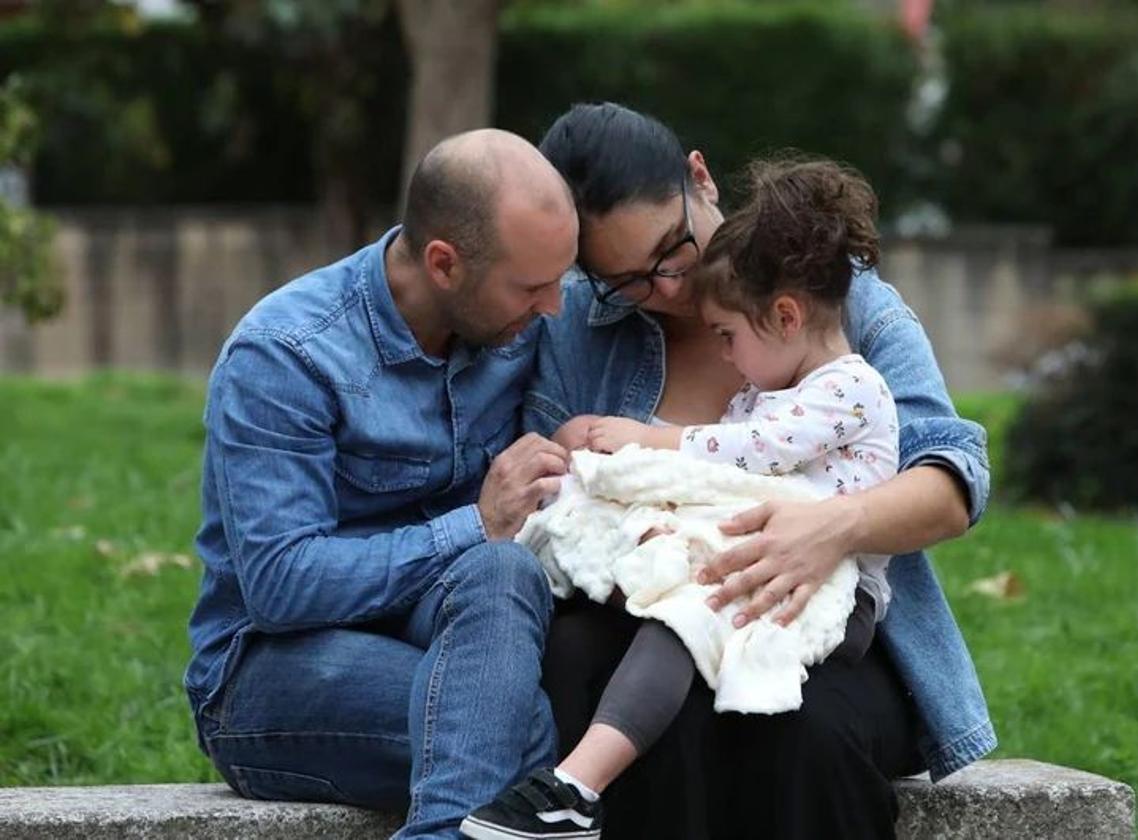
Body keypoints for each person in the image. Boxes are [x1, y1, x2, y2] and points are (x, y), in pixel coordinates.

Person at [520, 102, 995, 839]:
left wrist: (831, 528)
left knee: (799, 730)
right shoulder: (579, 324)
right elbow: (547, 492)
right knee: (600, 679)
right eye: (627, 281)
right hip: (648, 610)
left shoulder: (831, 291)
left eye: (672, 253)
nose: (667, 290)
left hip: (820, 626)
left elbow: (953, 479)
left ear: (700, 180)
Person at [461, 155, 902, 840]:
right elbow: (716, 492)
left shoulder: (847, 389)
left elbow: (748, 455)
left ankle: (576, 787)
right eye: (623, 282)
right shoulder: (765, 391)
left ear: (786, 315)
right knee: (659, 604)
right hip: (758, 571)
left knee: (686, 619)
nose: (723, 355)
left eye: (729, 336)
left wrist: (645, 443)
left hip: (839, 595)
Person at [183, 128, 579, 840]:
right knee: (520, 731)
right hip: (271, 670)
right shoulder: (286, 355)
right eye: (531, 286)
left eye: (561, 278)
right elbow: (281, 585)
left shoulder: (516, 324)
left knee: (502, 569)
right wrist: (475, 522)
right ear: (444, 264)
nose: (553, 307)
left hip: (444, 627)